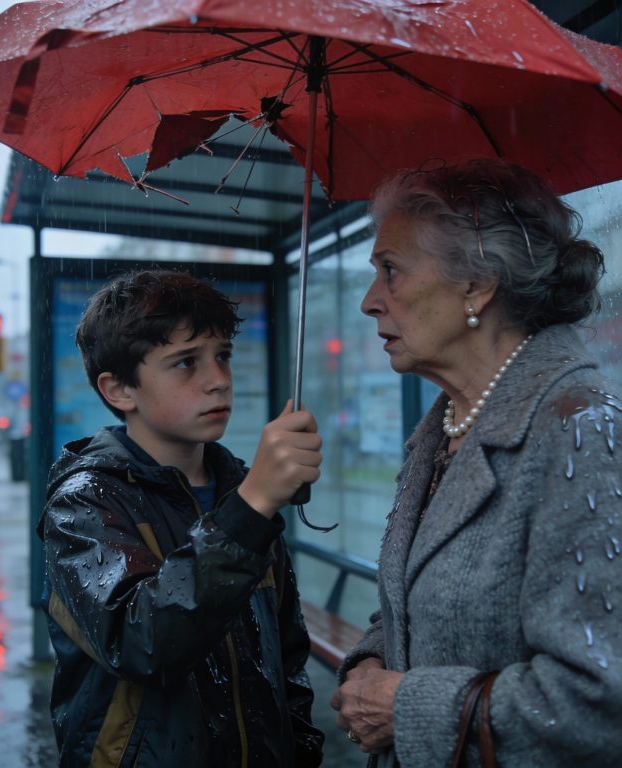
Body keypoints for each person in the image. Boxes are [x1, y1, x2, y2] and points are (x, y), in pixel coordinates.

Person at [330, 158, 622, 767]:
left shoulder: (580, 429)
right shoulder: (443, 426)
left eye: (390, 271)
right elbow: (416, 604)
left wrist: (406, 705)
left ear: (477, 285)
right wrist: (370, 669)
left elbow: (598, 700)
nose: (368, 301)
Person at [37, 269, 325, 768]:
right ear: (119, 390)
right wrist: (251, 509)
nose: (218, 379)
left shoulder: (236, 485)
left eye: (223, 356)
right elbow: (142, 642)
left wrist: (299, 748)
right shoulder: (84, 503)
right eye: (185, 363)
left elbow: (286, 654)